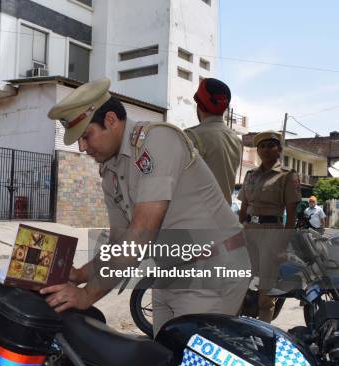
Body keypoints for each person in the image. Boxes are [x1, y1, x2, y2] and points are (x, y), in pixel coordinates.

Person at [40, 78, 249, 336]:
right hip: (171, 270)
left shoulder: (157, 141)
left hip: (213, 268)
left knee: (189, 365)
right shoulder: (111, 170)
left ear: (112, 121)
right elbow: (119, 241)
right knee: (164, 356)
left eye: (85, 136)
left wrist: (86, 295)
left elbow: (140, 234)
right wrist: (80, 274)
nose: (82, 147)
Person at [238, 131, 300, 322]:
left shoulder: (287, 176)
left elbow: (291, 214)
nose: (265, 150)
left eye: (270, 145)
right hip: (248, 232)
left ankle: (263, 334)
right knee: (238, 285)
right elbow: (244, 207)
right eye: (262, 146)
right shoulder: (250, 175)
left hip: (271, 234)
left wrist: (283, 245)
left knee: (265, 293)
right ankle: (233, 331)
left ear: (279, 149)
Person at [184, 78, 241, 204]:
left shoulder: (191, 136)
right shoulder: (236, 140)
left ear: (199, 105)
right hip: (224, 216)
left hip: (196, 216)